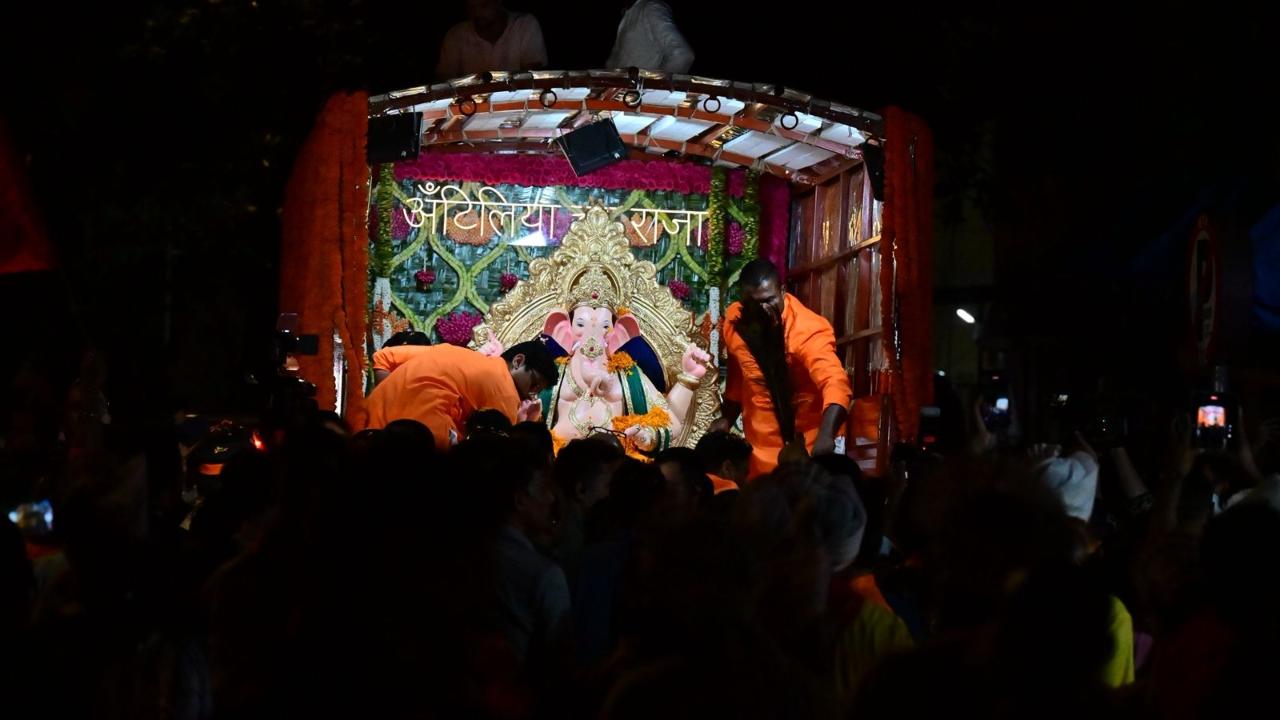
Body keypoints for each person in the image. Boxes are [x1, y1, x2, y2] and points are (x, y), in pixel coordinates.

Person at [713, 259, 853, 478]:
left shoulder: (808, 329)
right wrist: (727, 419)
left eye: (769, 300)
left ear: (783, 292)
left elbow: (835, 383)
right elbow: (738, 379)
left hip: (811, 442)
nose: (763, 310)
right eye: (754, 303)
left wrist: (827, 436)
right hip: (760, 447)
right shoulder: (735, 322)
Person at [363, 341, 556, 451]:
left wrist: (392, 400)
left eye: (538, 390)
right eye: (533, 384)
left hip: (367, 428)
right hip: (416, 448)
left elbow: (383, 357)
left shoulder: (453, 351)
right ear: (518, 361)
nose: (532, 395)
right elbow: (495, 455)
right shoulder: (505, 389)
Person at [436, 0, 548, 79]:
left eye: (484, 5)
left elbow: (535, 76)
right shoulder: (456, 35)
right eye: (472, 7)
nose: (477, 13)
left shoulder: (525, 25)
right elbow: (445, 82)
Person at [606, 1, 694, 73]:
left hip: (640, 93)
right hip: (622, 92)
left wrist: (656, 88)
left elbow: (682, 55)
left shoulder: (651, 8)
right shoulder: (628, 12)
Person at [694, 430, 751, 495]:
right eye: (745, 473)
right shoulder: (731, 497)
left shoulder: (684, 490)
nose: (747, 482)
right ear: (727, 468)